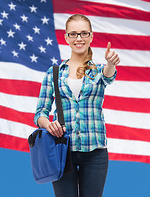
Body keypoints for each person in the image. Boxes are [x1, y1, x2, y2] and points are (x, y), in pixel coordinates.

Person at [34, 14, 120, 197]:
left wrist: (110, 63)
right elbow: (40, 112)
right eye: (73, 34)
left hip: (95, 152)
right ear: (66, 37)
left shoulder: (97, 70)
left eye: (83, 33)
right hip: (63, 152)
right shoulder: (54, 73)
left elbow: (108, 76)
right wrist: (48, 124)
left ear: (91, 36)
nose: (78, 38)